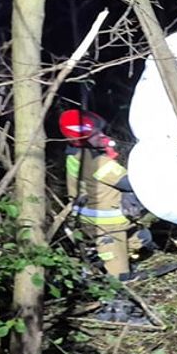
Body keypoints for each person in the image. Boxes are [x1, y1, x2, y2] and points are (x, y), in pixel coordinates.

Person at [60, 109, 149, 280]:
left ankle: (101, 257)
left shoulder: (74, 153)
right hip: (106, 225)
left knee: (143, 238)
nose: (101, 136)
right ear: (82, 139)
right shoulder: (98, 162)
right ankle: (115, 278)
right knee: (120, 275)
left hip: (87, 218)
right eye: (95, 134)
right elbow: (132, 182)